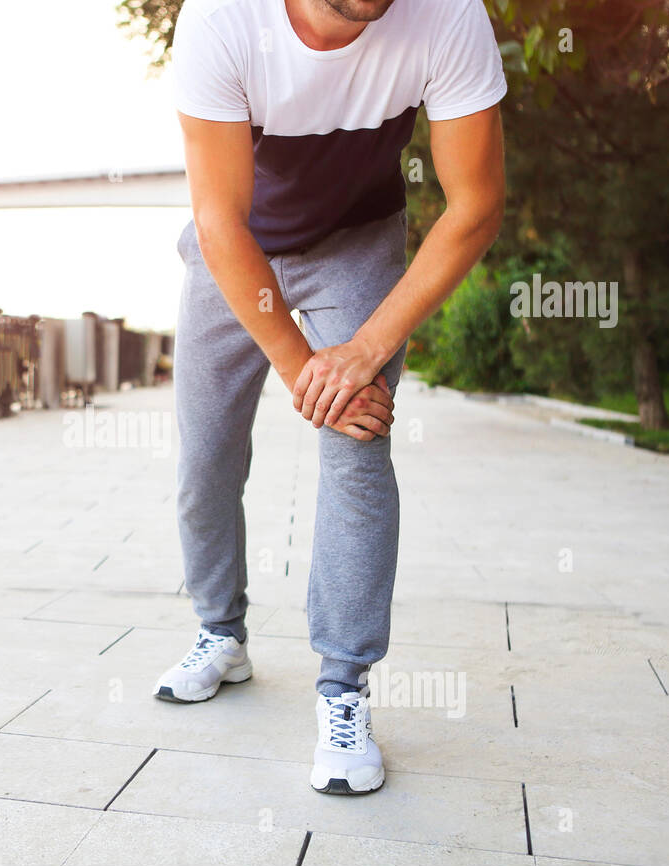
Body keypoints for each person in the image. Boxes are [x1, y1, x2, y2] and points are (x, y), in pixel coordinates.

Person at [153, 0, 507, 794]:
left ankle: (343, 686)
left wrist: (364, 354)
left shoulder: (449, 15)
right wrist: (301, 366)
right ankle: (220, 632)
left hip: (357, 245)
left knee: (358, 439)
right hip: (237, 251)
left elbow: (477, 203)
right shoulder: (221, 19)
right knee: (207, 453)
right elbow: (217, 215)